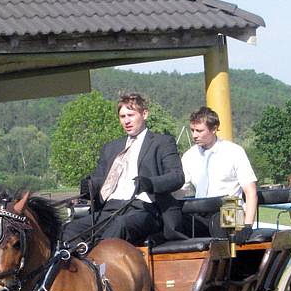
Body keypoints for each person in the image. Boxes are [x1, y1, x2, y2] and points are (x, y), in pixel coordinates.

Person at [62, 92, 184, 245]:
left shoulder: (162, 142)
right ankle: (81, 266)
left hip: (144, 209)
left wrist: (150, 183)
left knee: (120, 224)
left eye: (131, 115)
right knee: (69, 229)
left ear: (144, 114)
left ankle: (99, 264)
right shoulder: (110, 148)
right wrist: (88, 187)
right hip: (110, 209)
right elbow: (99, 180)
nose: (126, 121)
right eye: (122, 116)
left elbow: (177, 177)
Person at [181, 107, 257, 243]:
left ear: (214, 129)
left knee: (220, 220)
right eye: (192, 130)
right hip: (200, 212)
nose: (194, 135)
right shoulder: (189, 156)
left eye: (199, 130)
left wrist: (247, 226)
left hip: (231, 211)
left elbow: (250, 192)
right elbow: (180, 189)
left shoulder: (234, 152)